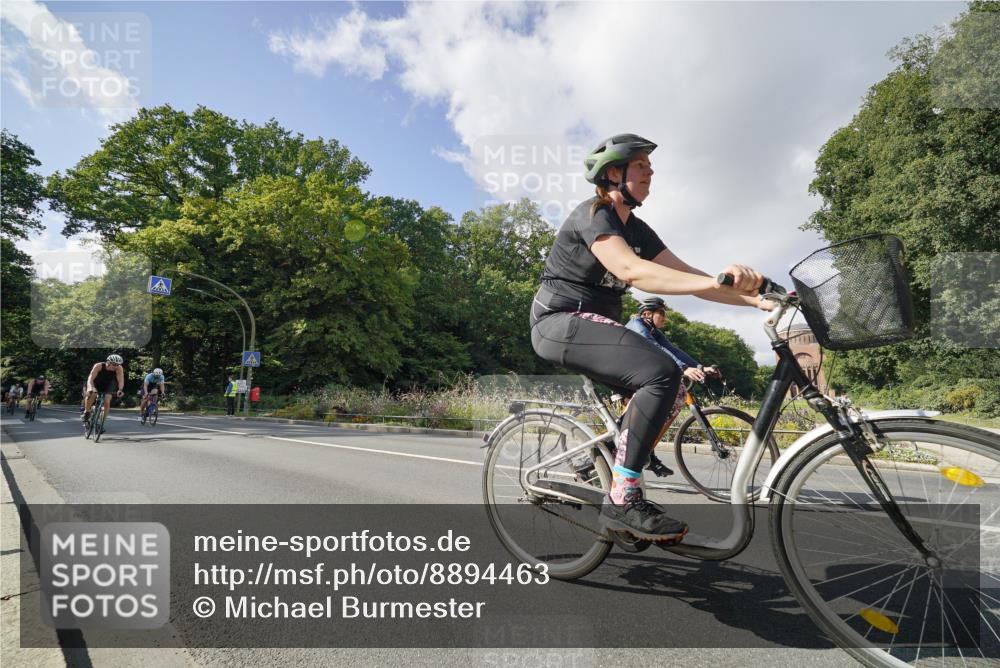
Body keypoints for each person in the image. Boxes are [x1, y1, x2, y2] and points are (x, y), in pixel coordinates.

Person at [530, 133, 773, 542]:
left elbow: (693, 282)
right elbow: (632, 272)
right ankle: (623, 498)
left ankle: (610, 462)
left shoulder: (638, 230)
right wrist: (717, 280)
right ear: (613, 172)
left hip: (592, 327)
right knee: (661, 371)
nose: (651, 172)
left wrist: (758, 300)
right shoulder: (595, 215)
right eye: (641, 165)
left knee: (673, 385)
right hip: (559, 321)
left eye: (649, 166)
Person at [626, 297, 721, 459]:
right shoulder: (637, 326)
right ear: (647, 313)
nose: (665, 317)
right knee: (637, 418)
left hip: (639, 373)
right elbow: (655, 348)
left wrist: (699, 367)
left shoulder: (654, 330)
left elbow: (672, 349)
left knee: (661, 410)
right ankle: (631, 449)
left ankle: (647, 451)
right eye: (661, 313)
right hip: (626, 373)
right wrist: (683, 368)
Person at [83, 354, 125, 425]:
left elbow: (120, 380)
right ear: (108, 362)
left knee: (107, 399)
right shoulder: (98, 366)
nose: (116, 366)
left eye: (118, 365)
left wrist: (120, 389)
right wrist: (90, 387)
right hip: (95, 383)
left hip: (108, 384)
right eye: (114, 364)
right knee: (93, 394)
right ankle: (87, 411)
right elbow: (91, 378)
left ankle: (102, 421)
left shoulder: (119, 368)